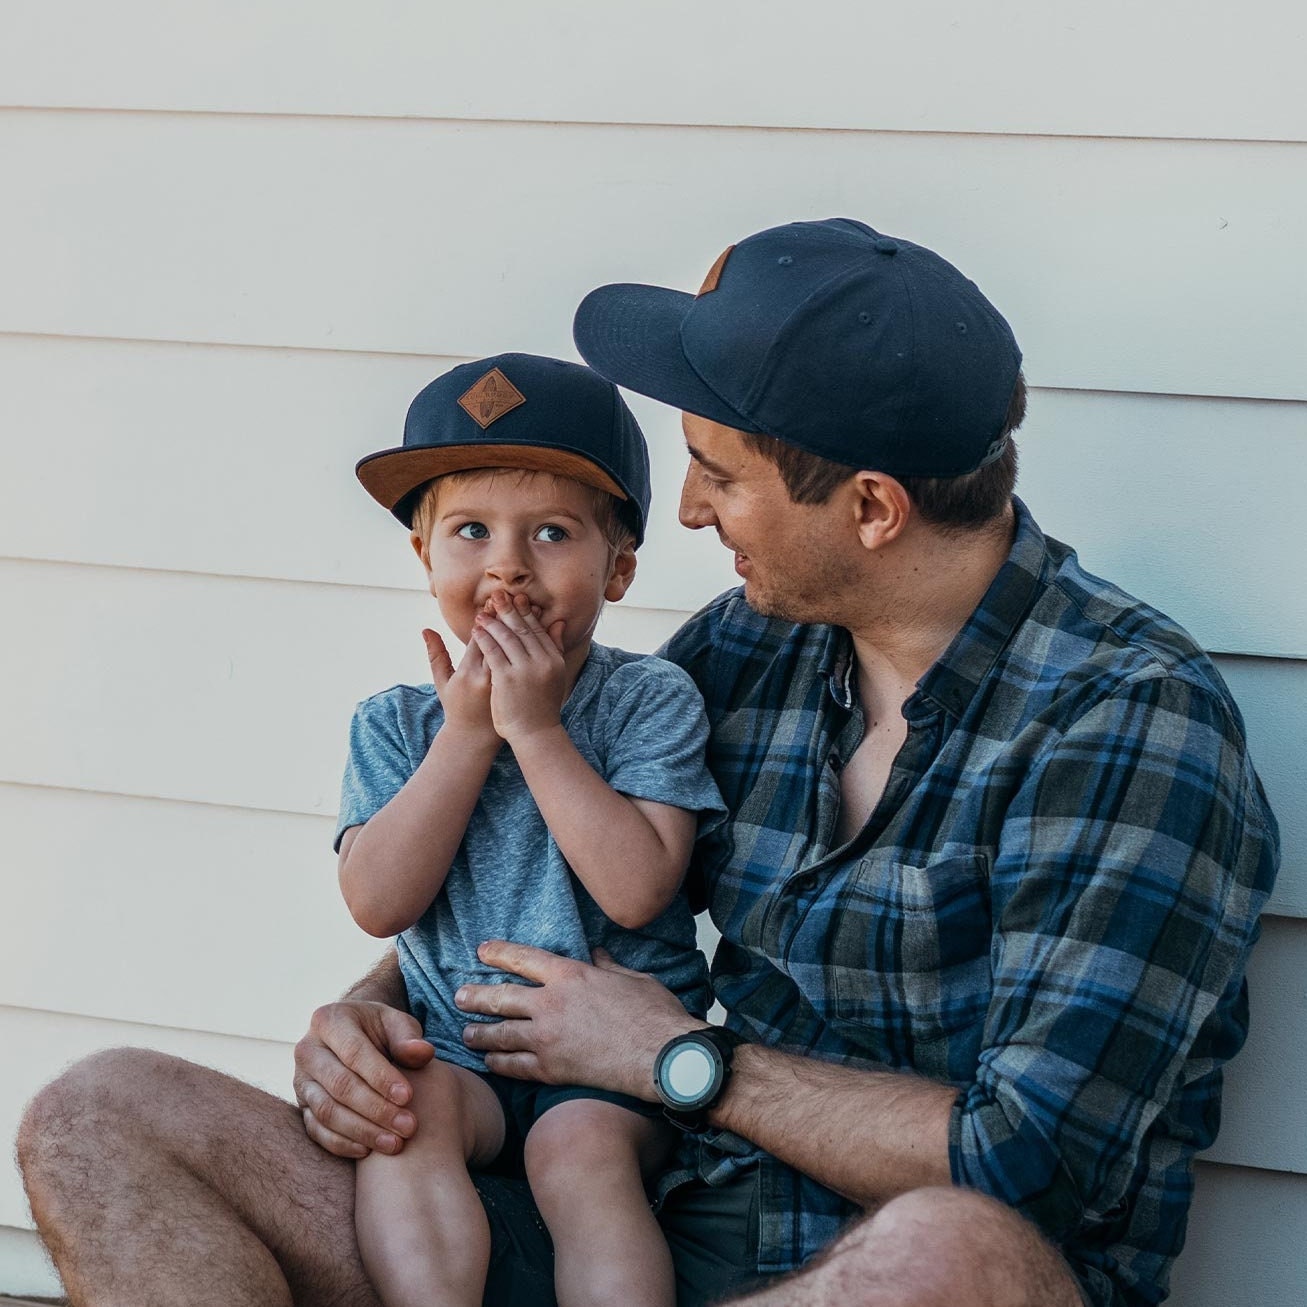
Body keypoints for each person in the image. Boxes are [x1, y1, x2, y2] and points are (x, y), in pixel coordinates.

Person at [16, 219, 1278, 1307]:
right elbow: (540, 846)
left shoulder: (1126, 723)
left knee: (944, 1254)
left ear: (873, 509)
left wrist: (679, 1060)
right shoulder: (752, 645)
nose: (681, 513)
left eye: (718, 475)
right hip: (642, 1234)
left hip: (889, 1270)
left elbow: (1030, 1159)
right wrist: (382, 1018)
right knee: (101, 1115)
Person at [338, 352, 724, 1307]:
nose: (506, 563)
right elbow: (378, 902)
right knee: (403, 1116)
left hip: (613, 1064)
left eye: (551, 533)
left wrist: (537, 732)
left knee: (575, 1149)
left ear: (620, 568)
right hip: (457, 1054)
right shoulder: (395, 724)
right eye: (469, 531)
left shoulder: (647, 701)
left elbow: (638, 889)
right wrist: (465, 737)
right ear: (425, 559)